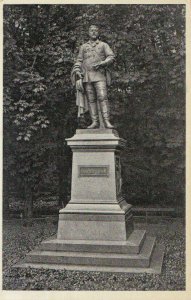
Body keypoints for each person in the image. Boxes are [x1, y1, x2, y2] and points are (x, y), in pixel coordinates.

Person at [71, 24, 115, 129]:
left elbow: (111, 57)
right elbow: (79, 60)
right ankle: (94, 121)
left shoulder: (103, 45)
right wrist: (77, 70)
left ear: (98, 32)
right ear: (88, 32)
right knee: (91, 99)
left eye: (95, 30)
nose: (94, 32)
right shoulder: (83, 47)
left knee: (102, 97)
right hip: (87, 76)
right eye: (91, 30)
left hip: (99, 74)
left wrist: (102, 63)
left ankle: (106, 121)